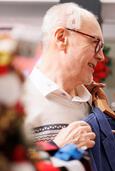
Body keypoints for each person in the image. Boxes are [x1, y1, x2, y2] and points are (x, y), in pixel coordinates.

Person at [22, 2, 103, 149]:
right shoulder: (16, 100)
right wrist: (57, 147)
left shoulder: (93, 102)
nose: (101, 56)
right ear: (61, 38)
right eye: (95, 43)